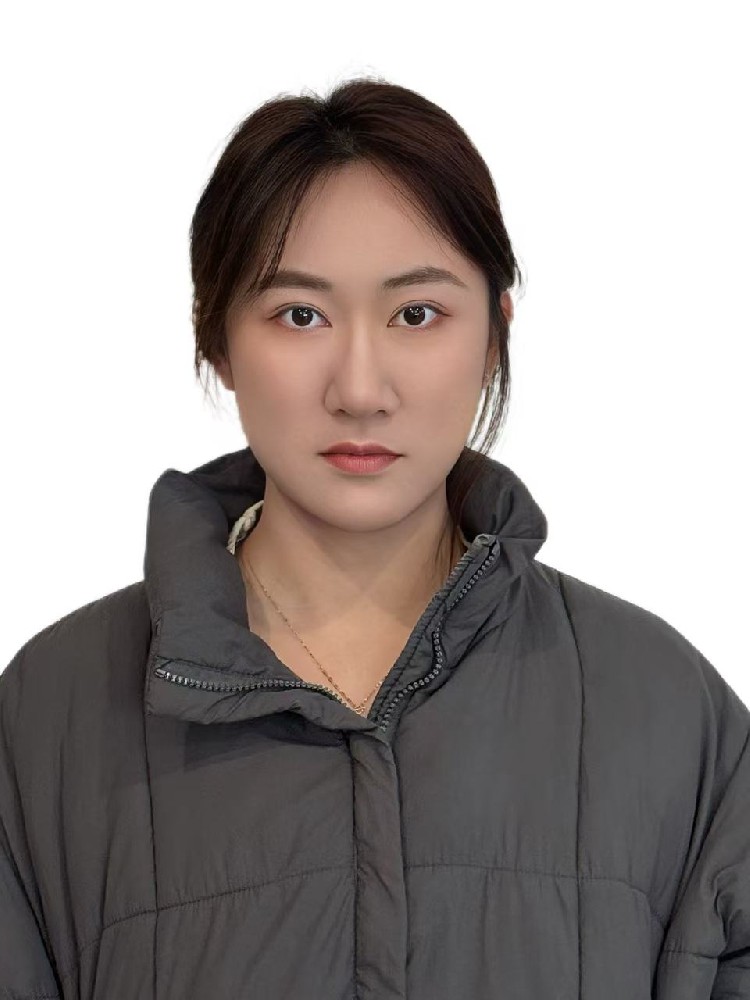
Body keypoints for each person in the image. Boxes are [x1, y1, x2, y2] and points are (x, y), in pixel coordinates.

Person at [2, 77, 748, 1000]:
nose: (360, 389)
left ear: (495, 334)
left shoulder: (667, 712)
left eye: (416, 314)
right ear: (218, 340)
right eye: (300, 315)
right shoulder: (47, 720)